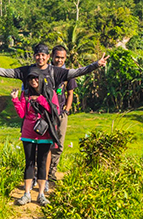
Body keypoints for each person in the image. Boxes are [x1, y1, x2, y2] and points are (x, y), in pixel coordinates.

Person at [11, 67, 59, 206]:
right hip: (28, 133)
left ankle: (41, 194)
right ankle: (26, 194)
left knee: (42, 163)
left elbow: (54, 111)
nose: (33, 81)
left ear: (41, 79)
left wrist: (41, 100)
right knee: (29, 162)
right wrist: (15, 100)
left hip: (45, 134)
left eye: (36, 78)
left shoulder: (50, 93)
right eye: (31, 78)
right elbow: (21, 114)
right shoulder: (25, 94)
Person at [48, 45, 77, 182]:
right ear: (52, 57)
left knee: (59, 143)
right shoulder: (45, 71)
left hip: (60, 113)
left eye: (62, 58)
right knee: (44, 143)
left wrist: (66, 110)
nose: (59, 60)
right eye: (57, 57)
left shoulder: (68, 73)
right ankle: (40, 171)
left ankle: (52, 172)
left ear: (65, 58)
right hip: (45, 113)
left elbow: (70, 93)